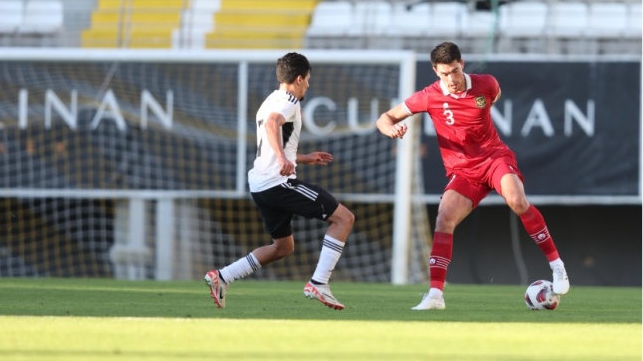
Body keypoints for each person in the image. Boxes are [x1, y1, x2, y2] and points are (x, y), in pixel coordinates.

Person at [376, 42, 570, 310]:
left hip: (493, 158)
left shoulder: (486, 84)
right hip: (463, 171)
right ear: (435, 71)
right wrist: (389, 129)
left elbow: (496, 95)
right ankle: (435, 295)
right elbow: (386, 117)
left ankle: (557, 266)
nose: (451, 79)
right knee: (444, 219)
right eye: (444, 74)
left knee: (517, 200)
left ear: (462, 64)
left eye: (454, 71)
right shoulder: (429, 96)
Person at [204, 52, 355, 310]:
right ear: (298, 79)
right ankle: (319, 283)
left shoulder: (270, 99)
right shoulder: (289, 100)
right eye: (307, 80)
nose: (308, 85)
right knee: (344, 218)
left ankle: (223, 276)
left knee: (282, 247)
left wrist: (303, 158)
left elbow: (274, 135)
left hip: (261, 185)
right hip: (278, 183)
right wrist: (284, 159)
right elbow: (273, 125)